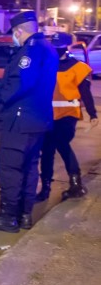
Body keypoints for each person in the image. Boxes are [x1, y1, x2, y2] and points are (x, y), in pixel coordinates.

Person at [0, 11, 57, 233]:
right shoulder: (46, 48)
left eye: (14, 33)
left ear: (19, 31)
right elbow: (22, 79)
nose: (13, 37)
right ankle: (24, 215)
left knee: (9, 168)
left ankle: (8, 217)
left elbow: (19, 85)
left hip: (20, 121)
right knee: (29, 168)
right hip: (38, 120)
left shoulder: (29, 51)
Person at [37, 33, 97, 201]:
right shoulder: (46, 66)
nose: (57, 50)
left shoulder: (78, 67)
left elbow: (86, 93)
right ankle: (50, 187)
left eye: (59, 47)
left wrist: (92, 114)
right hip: (47, 115)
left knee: (60, 144)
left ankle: (72, 184)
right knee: (48, 150)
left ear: (68, 47)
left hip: (67, 116)